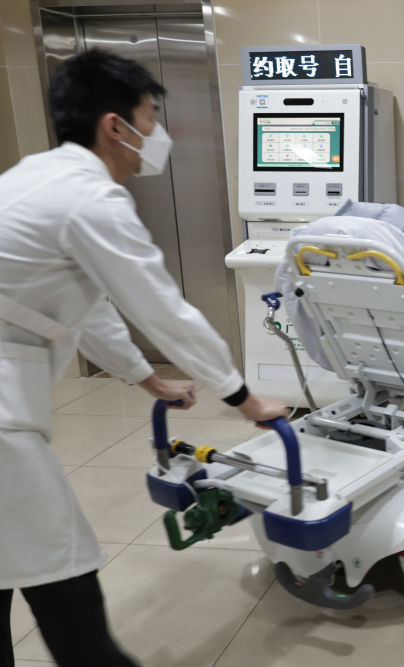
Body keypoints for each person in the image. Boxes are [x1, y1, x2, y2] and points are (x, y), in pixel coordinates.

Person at [0, 50, 288, 666]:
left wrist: (145, 377)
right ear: (115, 126)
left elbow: (86, 305)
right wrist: (244, 399)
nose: (158, 133)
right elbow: (163, 310)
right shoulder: (90, 197)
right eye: (151, 117)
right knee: (64, 581)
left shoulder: (34, 177)